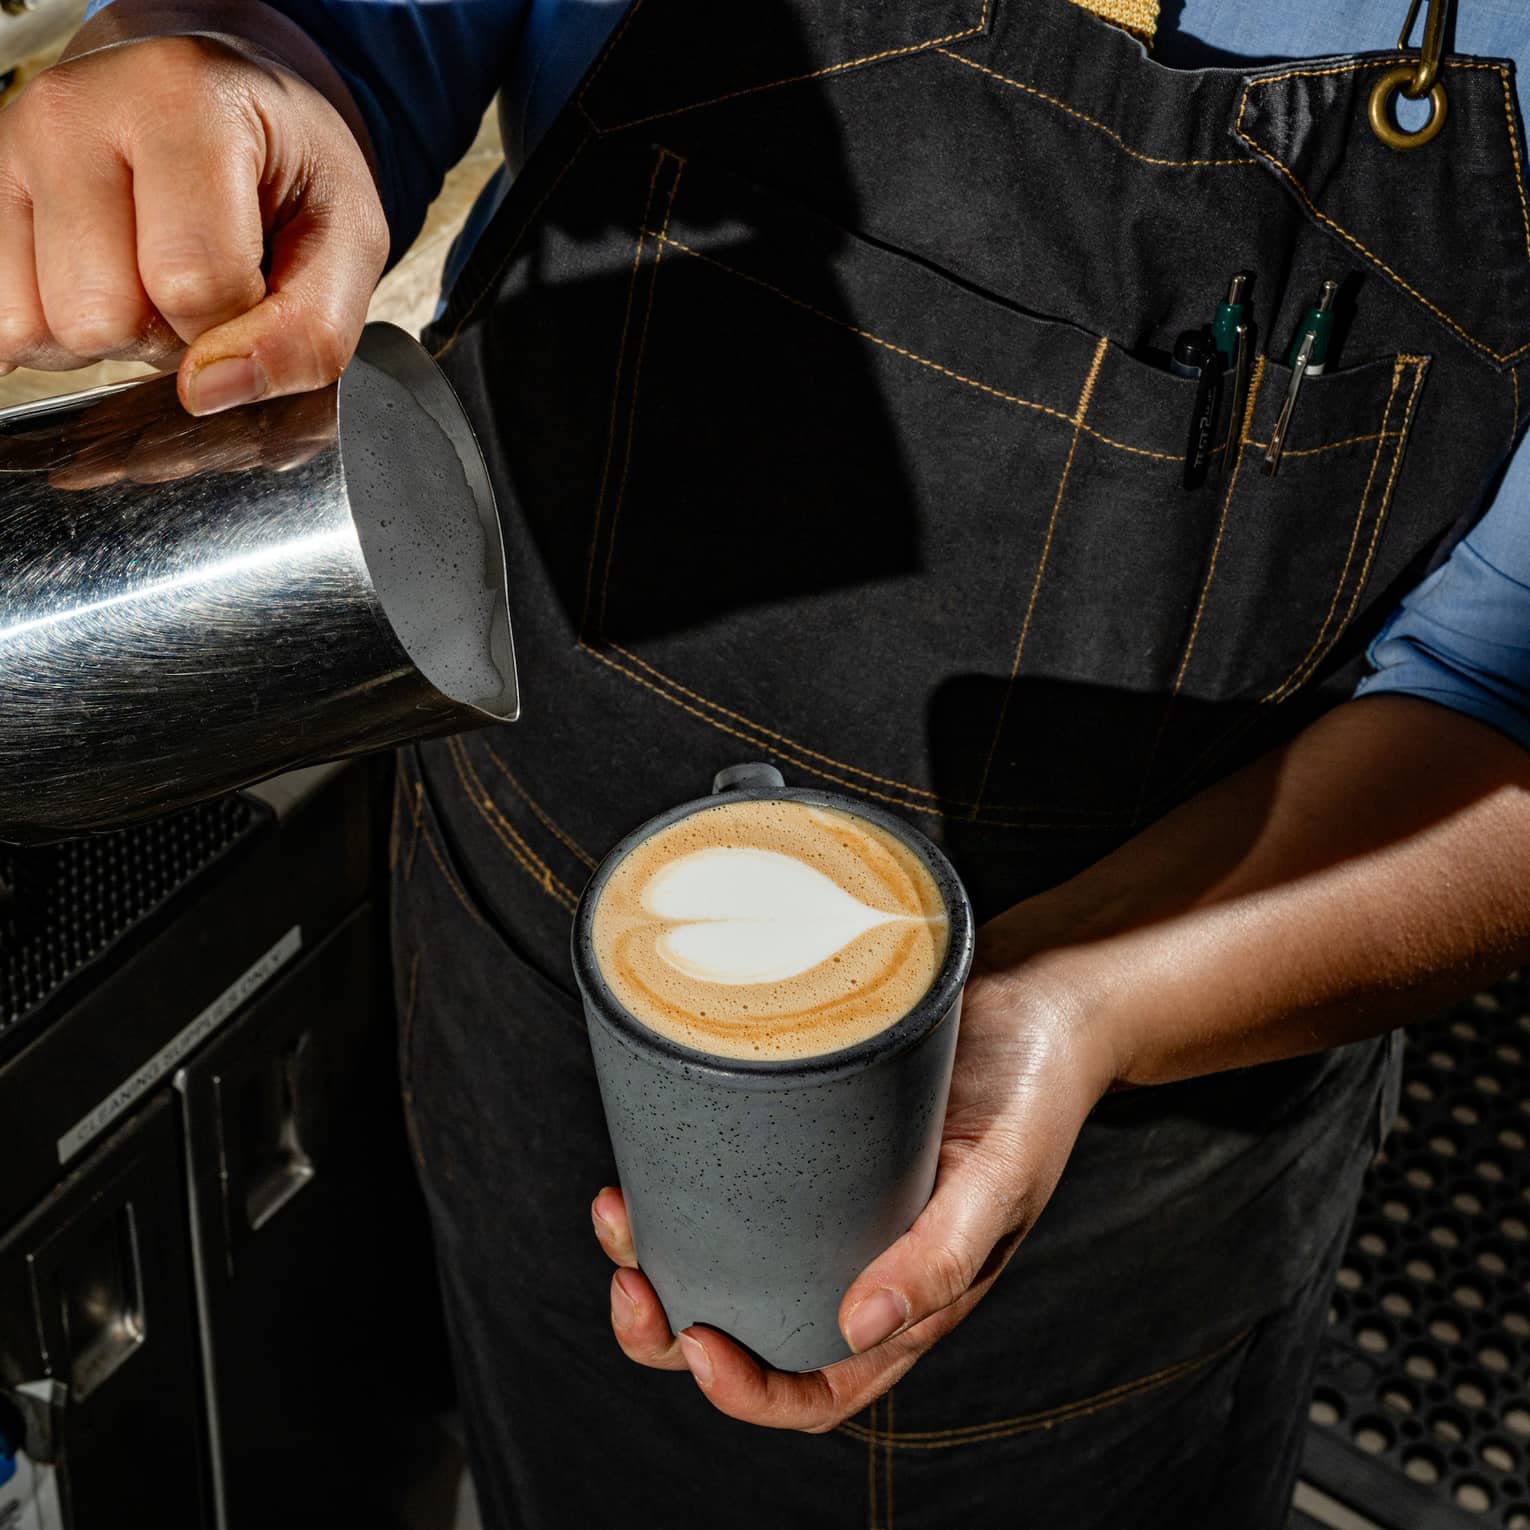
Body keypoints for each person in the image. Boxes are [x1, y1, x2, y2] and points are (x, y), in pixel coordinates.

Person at [3, 1, 1529, 1524]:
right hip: (533, 974)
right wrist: (254, 73)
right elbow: (380, 32)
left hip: (1138, 1139)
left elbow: (1493, 705)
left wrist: (1081, 1010)